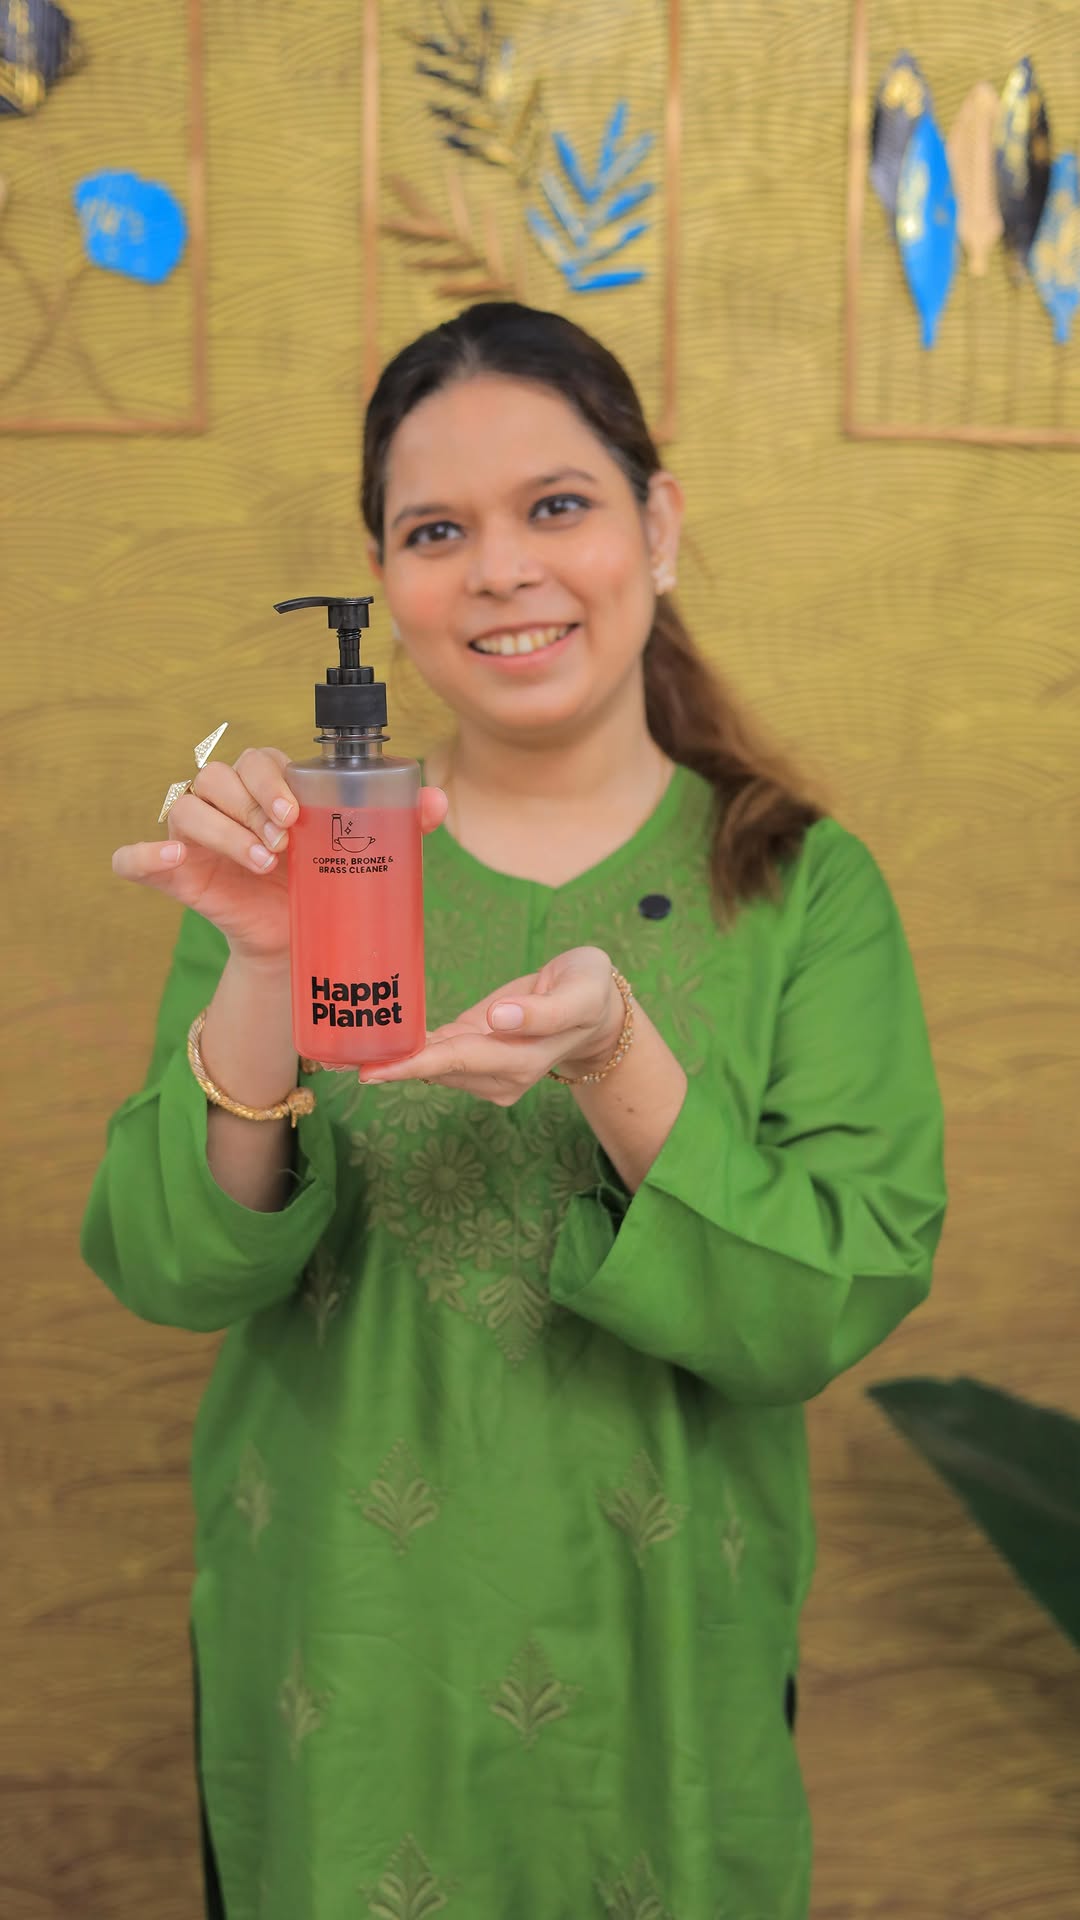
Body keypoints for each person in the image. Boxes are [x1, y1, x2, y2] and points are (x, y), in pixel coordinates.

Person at [81, 301, 947, 1920]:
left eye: (556, 505)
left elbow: (824, 1302)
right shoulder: (303, 861)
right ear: (384, 577)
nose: (499, 569)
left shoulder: (799, 884)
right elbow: (172, 1265)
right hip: (339, 1663)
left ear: (658, 526)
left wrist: (620, 1063)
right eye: (436, 531)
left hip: (663, 1669)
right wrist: (263, 960)